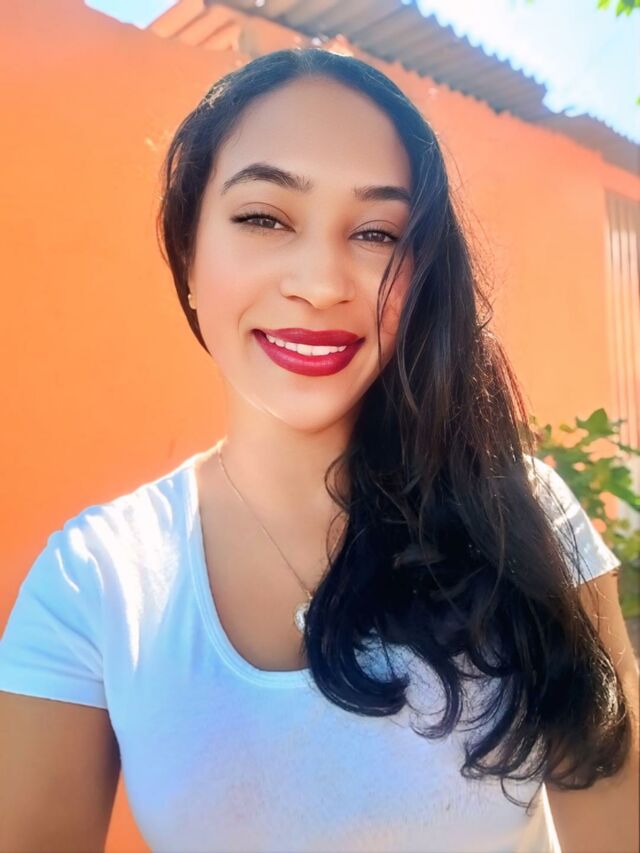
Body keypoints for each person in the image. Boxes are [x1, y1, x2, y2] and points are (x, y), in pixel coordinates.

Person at [0, 47, 637, 853]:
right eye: (264, 218)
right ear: (188, 256)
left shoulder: (523, 516)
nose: (322, 282)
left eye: (377, 232)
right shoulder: (95, 583)